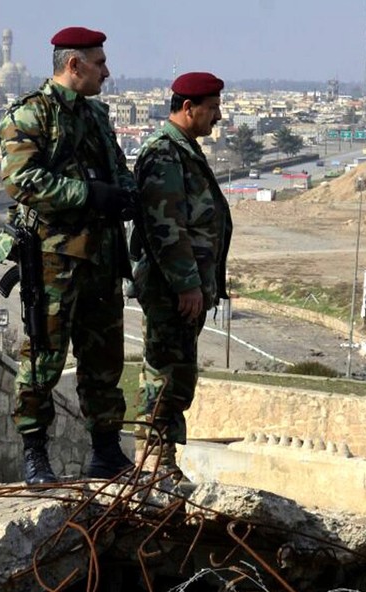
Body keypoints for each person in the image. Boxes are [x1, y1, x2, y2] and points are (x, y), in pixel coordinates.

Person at [0, 26, 135, 485]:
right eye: (99, 63)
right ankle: (35, 453)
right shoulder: (31, 115)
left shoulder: (95, 117)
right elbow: (22, 181)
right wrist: (89, 195)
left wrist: (126, 195)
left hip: (100, 258)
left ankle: (106, 451)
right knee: (43, 358)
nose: (107, 72)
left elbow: (117, 169)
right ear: (73, 65)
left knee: (104, 358)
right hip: (55, 260)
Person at [130, 72, 233, 479]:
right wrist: (187, 284)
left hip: (185, 289)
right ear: (188, 108)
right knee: (162, 374)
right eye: (212, 108)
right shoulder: (163, 153)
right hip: (171, 289)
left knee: (178, 375)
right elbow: (165, 226)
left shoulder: (183, 149)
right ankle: (153, 462)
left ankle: (164, 462)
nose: (218, 117)